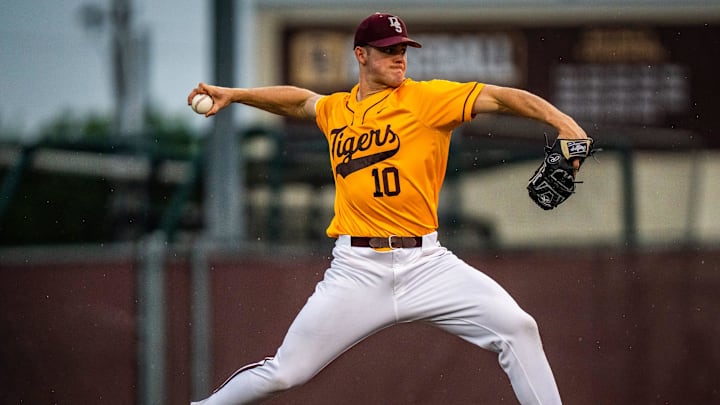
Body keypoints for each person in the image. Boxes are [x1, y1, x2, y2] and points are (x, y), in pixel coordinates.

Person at [188, 12, 588, 405]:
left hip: (427, 264)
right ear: (361, 55)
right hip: (356, 269)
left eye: (403, 48)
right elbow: (300, 102)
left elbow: (500, 97)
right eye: (387, 49)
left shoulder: (426, 99)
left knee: (518, 328)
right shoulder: (338, 110)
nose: (399, 57)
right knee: (285, 372)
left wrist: (561, 121)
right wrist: (235, 95)